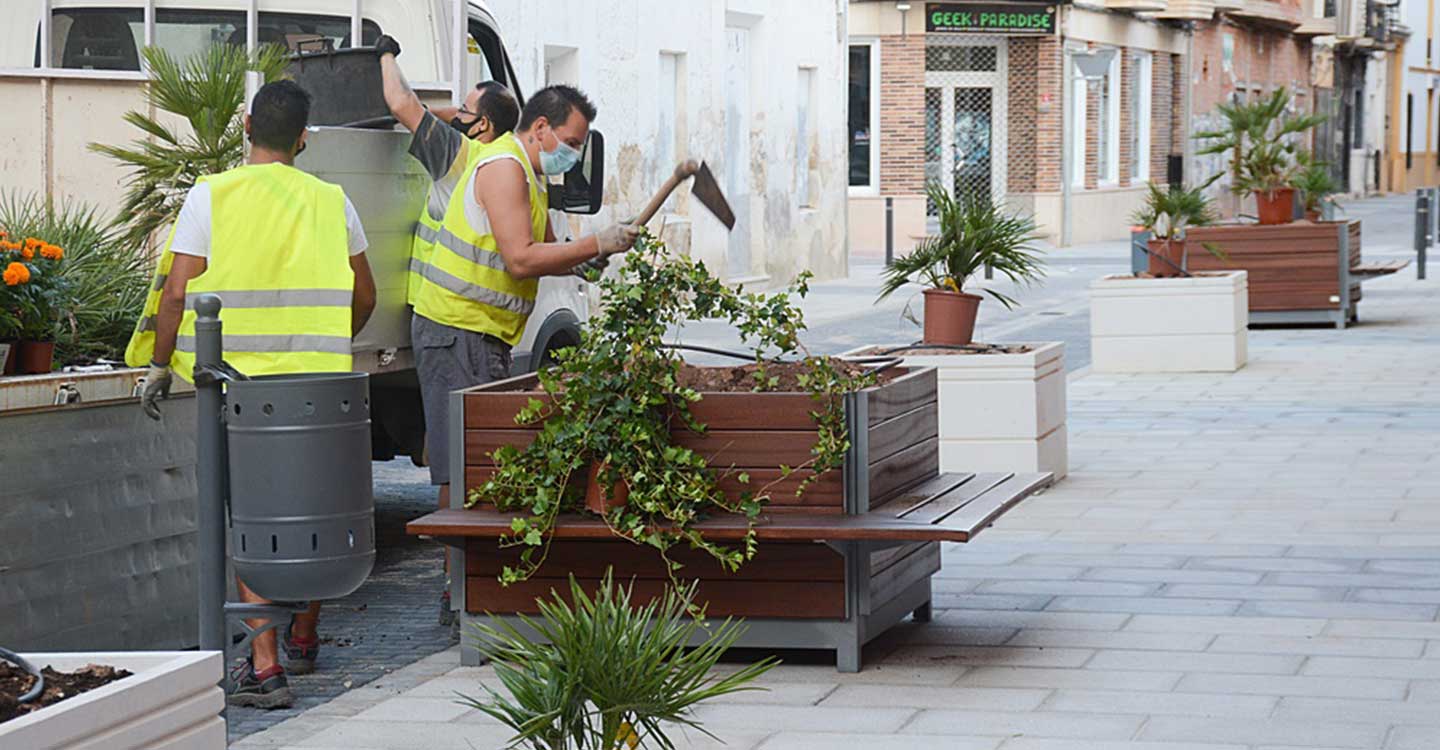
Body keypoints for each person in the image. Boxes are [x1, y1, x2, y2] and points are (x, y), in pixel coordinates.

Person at [126, 79, 378, 709]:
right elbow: (365, 294)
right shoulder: (331, 200)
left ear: (244, 127)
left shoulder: (212, 195)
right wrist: (324, 340)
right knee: (314, 508)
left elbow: (179, 294)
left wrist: (160, 364)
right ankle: (307, 630)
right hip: (318, 385)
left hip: (237, 388)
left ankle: (264, 669)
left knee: (255, 520)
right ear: (302, 139)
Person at [376, 35, 639, 511]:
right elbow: (520, 258)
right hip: (458, 329)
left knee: (479, 461)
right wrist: (594, 242)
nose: (575, 155)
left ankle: (465, 578)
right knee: (464, 465)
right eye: (573, 142)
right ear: (541, 127)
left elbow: (544, 250)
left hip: (479, 332)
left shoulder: (531, 176)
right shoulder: (502, 167)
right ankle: (457, 583)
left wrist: (586, 260)